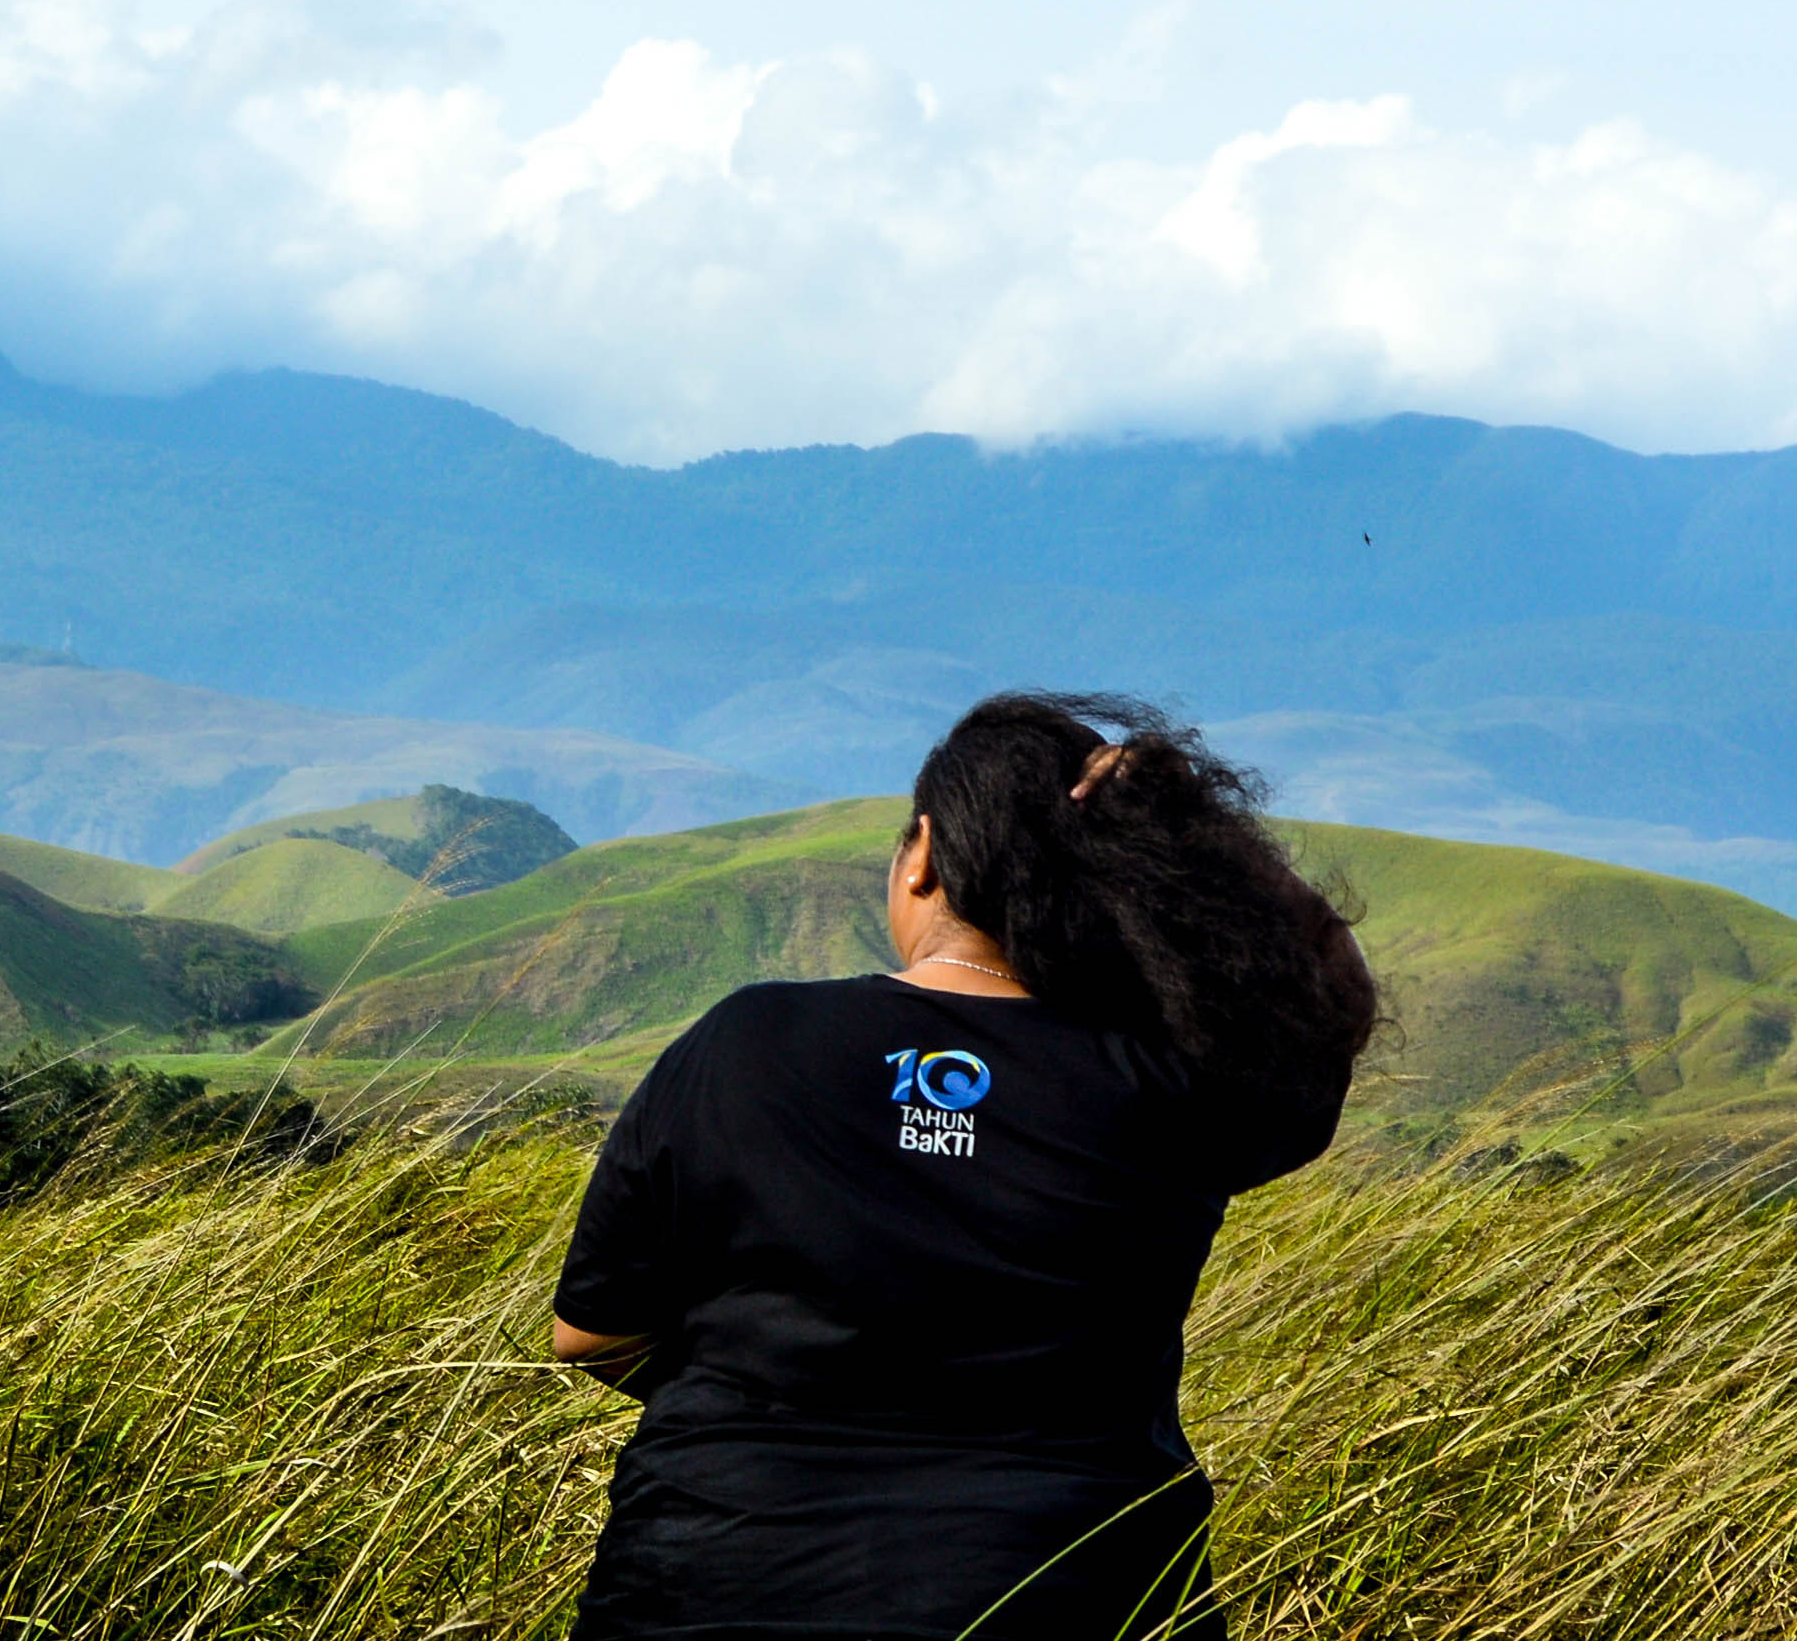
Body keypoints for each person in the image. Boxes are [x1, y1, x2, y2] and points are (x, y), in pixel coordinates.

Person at [544, 691, 1380, 1640]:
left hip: (712, 1586)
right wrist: (1179, 833)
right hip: (1069, 1591)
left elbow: (591, 1336)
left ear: (926, 854)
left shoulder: (747, 1040)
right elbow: (1325, 1002)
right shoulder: (1172, 1084)